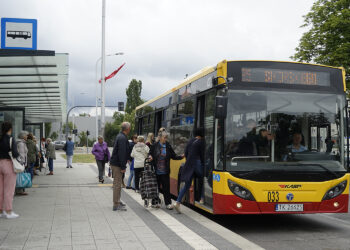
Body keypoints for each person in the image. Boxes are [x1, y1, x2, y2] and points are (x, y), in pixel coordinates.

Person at [149, 131, 184, 210]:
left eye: (166, 137)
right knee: (155, 187)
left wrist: (181, 157)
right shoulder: (155, 145)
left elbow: (173, 155)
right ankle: (155, 202)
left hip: (165, 170)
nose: (166, 139)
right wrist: (150, 156)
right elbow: (150, 153)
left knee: (166, 188)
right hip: (156, 170)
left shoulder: (167, 145)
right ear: (160, 137)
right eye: (165, 137)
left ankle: (168, 203)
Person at [175, 128, 205, 213]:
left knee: (187, 185)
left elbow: (186, 153)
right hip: (197, 163)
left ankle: (177, 202)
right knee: (203, 178)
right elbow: (202, 155)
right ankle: (202, 198)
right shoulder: (201, 142)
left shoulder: (190, 141)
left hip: (189, 164)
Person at [0, 121, 20, 219]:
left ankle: (1, 211)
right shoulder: (11, 139)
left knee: (0, 190)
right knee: (9, 190)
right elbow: (15, 154)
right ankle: (8, 211)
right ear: (10, 129)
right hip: (8, 165)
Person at [110, 122, 131, 211]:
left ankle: (118, 201)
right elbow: (121, 153)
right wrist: (123, 167)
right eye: (130, 128)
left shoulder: (120, 136)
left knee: (117, 184)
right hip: (117, 164)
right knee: (117, 184)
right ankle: (116, 204)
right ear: (127, 129)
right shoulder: (122, 138)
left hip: (116, 163)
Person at [16, 131, 28, 196]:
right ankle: (20, 190)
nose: (27, 136)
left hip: (21, 162)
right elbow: (21, 154)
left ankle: (20, 190)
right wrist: (22, 162)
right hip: (21, 162)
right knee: (20, 177)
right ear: (23, 136)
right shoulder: (21, 143)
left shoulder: (22, 143)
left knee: (20, 176)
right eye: (26, 135)